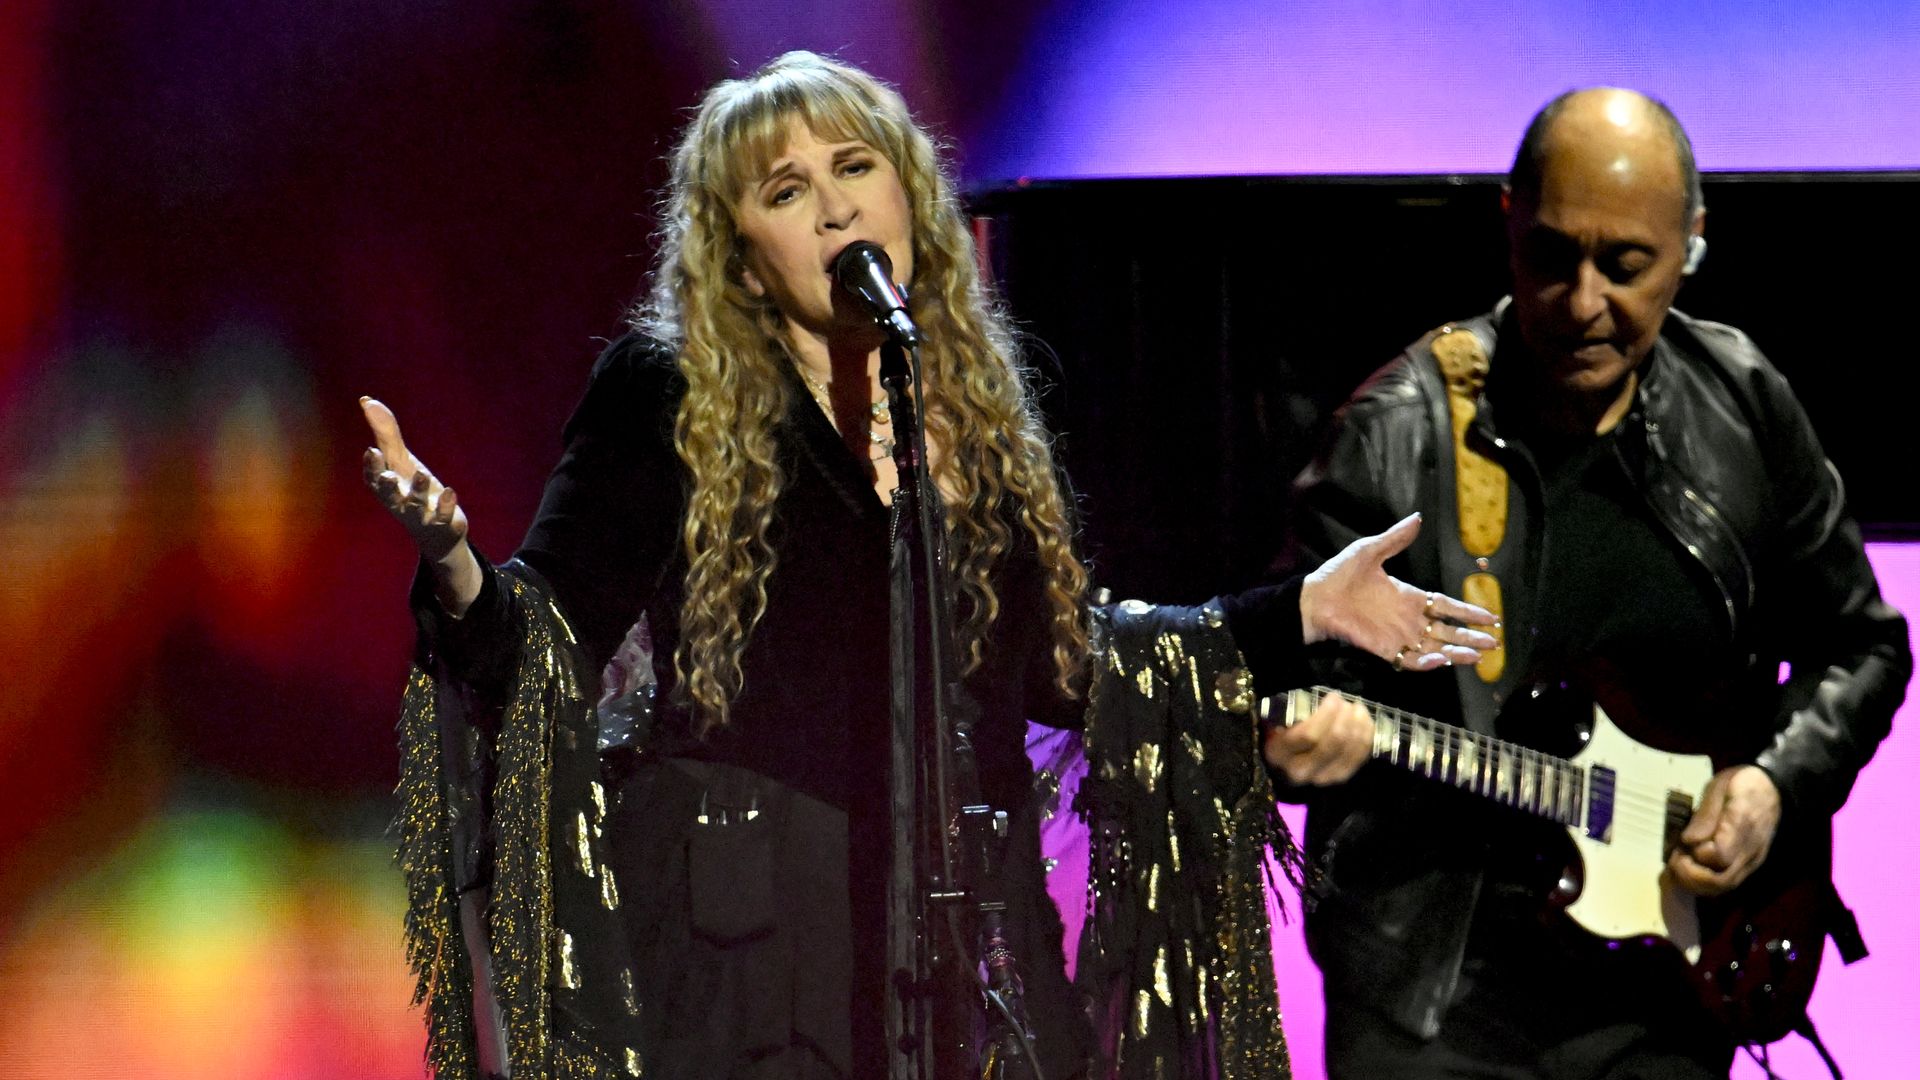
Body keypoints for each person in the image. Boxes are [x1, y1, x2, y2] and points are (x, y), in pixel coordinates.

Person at [363, 52, 1495, 1080]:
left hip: (977, 939)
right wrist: (458, 564)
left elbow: (1066, 671)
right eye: (786, 190)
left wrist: (1296, 610)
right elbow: (547, 642)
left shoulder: (964, 411)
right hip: (756, 941)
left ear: (910, 193)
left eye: (855, 166)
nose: (836, 203)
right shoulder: (668, 393)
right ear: (741, 255)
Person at [1264, 87, 1911, 1079]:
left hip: (1667, 986)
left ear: (1692, 242)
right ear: (1507, 224)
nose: (1582, 302)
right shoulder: (1397, 434)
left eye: (1626, 266)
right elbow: (1277, 687)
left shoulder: (1740, 400)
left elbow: (1861, 647)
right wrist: (1298, 736)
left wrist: (1774, 788)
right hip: (1435, 997)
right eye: (1550, 256)